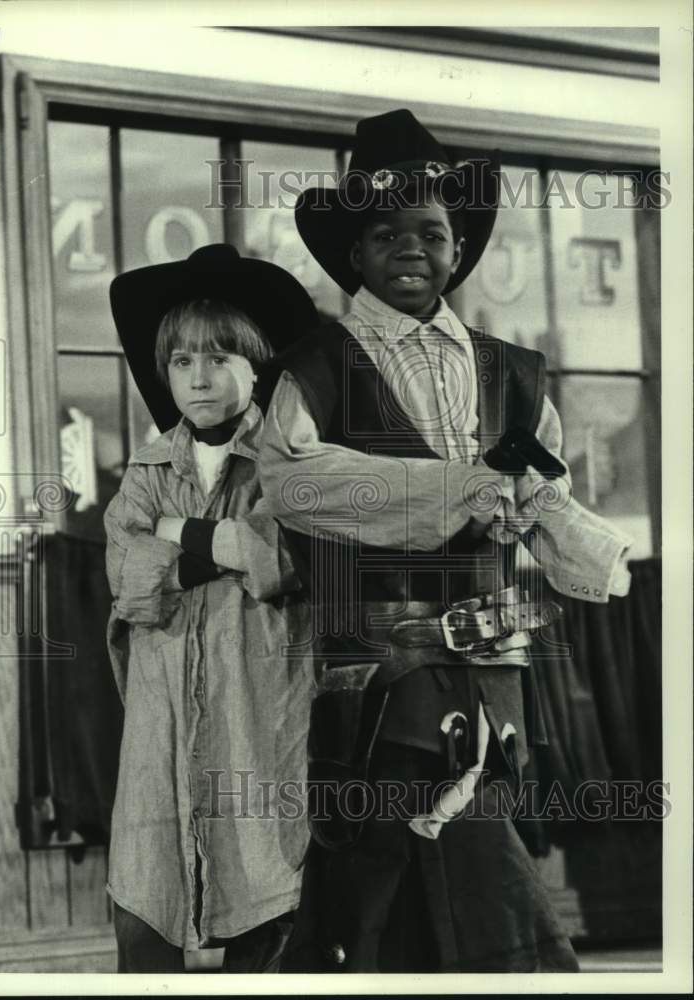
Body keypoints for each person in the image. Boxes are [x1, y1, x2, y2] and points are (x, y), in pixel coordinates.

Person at [258, 110, 632, 973]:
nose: (411, 248)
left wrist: (598, 557)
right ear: (353, 254)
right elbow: (296, 484)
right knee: (399, 873)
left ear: (458, 249)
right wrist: (455, 489)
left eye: (432, 232)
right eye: (386, 234)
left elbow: (543, 495)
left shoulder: (514, 372)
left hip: (496, 675)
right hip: (378, 676)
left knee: (447, 880)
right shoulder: (314, 366)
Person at [103, 243, 318, 973]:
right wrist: (221, 552)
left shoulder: (287, 459)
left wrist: (179, 536)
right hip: (160, 717)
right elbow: (128, 576)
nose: (199, 378)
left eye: (221, 358)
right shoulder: (147, 468)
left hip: (257, 706)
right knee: (146, 897)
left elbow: (281, 556)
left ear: (257, 367)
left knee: (266, 892)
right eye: (182, 361)